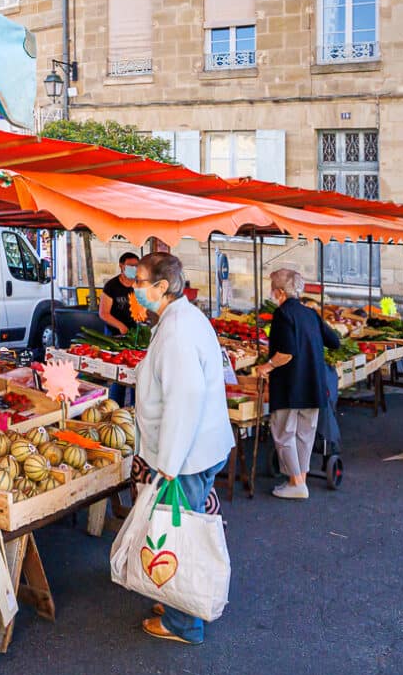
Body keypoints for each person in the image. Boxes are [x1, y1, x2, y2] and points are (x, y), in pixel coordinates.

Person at [129, 252, 236, 645]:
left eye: (140, 281)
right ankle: (174, 596)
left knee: (178, 534)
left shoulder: (177, 331)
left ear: (162, 287)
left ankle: (183, 622)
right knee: (180, 529)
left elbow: (184, 399)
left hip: (187, 456)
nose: (134, 288)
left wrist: (169, 464)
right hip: (198, 448)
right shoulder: (180, 320)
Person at [249, 267, 340, 500]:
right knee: (304, 434)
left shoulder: (283, 314)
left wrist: (266, 366)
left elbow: (286, 353)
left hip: (291, 384)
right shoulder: (310, 313)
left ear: (279, 292)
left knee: (284, 433)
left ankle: (296, 483)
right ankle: (300, 478)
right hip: (313, 384)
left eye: (272, 289)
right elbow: (335, 341)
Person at [99, 253, 139, 335]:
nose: (134, 268)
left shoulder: (141, 284)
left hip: (136, 331)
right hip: (114, 332)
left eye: (136, 265)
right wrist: (121, 327)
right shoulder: (111, 286)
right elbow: (103, 313)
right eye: (130, 266)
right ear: (121, 266)